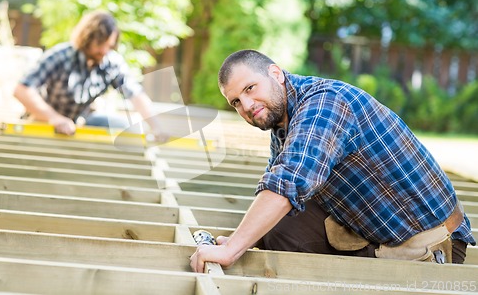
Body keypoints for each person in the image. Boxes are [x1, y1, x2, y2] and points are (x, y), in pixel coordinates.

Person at [190, 49, 475, 272]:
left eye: (250, 88)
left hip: (428, 247)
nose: (247, 106)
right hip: (375, 232)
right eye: (236, 102)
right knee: (277, 227)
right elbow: (275, 185)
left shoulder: (325, 104)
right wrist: (242, 240)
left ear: (275, 74)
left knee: (281, 209)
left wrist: (231, 250)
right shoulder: (284, 122)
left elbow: (288, 181)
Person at [14, 10, 164, 137]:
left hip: (77, 124)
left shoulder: (111, 62)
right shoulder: (61, 56)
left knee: (126, 129)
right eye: (100, 44)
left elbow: (135, 93)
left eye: (109, 46)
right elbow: (22, 90)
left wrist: (156, 127)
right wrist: (55, 118)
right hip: (42, 121)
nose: (104, 51)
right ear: (87, 38)